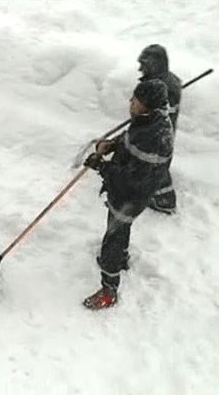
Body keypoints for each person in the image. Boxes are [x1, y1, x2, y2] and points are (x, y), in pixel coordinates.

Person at [82, 79, 174, 310]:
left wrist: (101, 166)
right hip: (128, 192)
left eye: (136, 99)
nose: (130, 101)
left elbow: (131, 180)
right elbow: (130, 138)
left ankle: (108, 289)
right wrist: (112, 145)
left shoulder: (154, 137)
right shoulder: (149, 121)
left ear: (147, 105)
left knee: (112, 237)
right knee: (119, 229)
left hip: (131, 195)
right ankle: (120, 258)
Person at [137, 44, 181, 214]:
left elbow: (166, 110)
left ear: (155, 65)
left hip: (159, 133)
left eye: (145, 65)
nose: (140, 69)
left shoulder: (166, 86)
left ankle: (165, 201)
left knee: (156, 164)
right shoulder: (162, 80)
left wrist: (148, 109)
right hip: (153, 130)